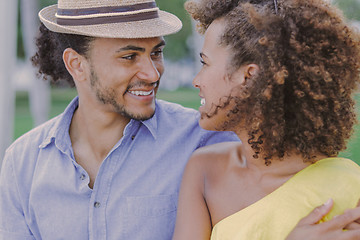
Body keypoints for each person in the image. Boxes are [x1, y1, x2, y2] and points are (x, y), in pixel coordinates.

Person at [0, 0, 240, 239]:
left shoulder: (206, 141)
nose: (152, 73)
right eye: (129, 56)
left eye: (156, 53)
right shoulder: (22, 164)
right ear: (77, 64)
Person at [172, 0, 360, 239]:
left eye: (205, 63)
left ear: (249, 77)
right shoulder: (204, 170)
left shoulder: (348, 188)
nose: (196, 81)